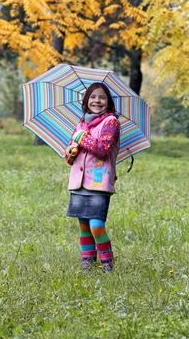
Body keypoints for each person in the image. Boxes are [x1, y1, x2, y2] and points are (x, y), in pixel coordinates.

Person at [65, 82, 120, 272]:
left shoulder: (110, 122)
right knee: (83, 225)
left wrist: (81, 138)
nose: (97, 101)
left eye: (102, 97)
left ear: (108, 102)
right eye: (93, 97)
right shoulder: (81, 124)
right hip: (79, 183)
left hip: (98, 182)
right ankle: (87, 264)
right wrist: (70, 152)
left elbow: (102, 149)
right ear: (86, 101)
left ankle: (107, 264)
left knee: (96, 225)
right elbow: (70, 156)